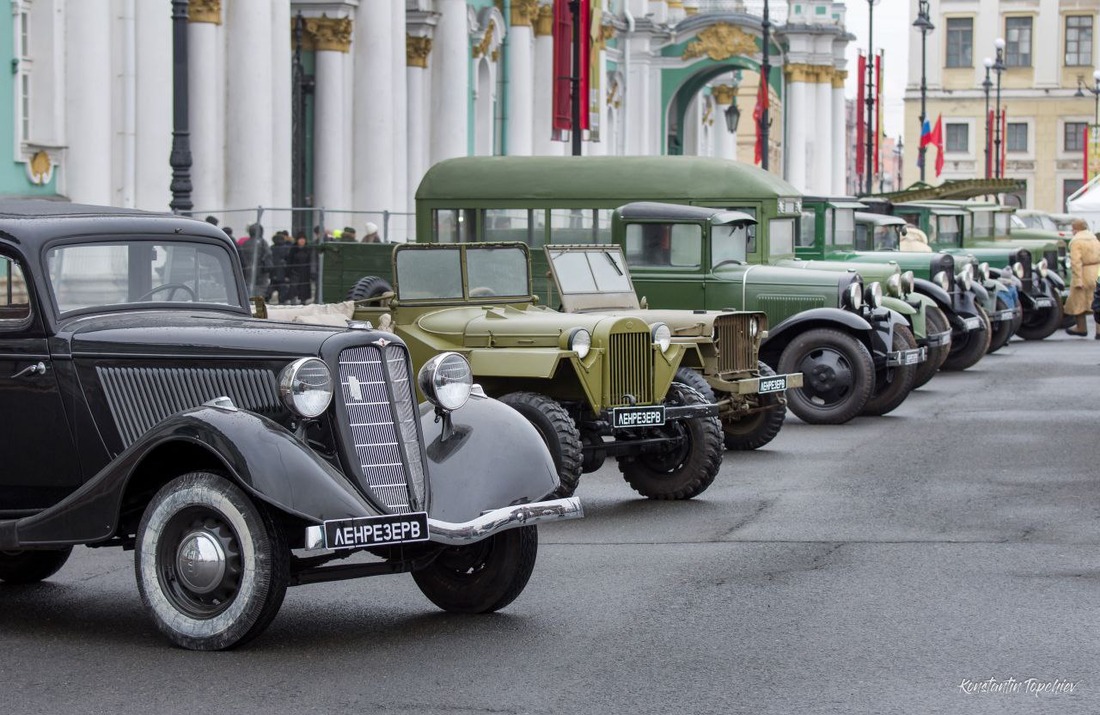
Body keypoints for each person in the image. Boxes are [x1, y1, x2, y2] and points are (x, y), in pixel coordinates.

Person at [1064, 218, 1100, 336]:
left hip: (1084, 272)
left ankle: (1081, 327)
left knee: (1078, 302)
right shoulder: (1094, 239)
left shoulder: (1076, 241)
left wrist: (1078, 280)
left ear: (1075, 228)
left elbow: (1076, 262)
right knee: (1097, 302)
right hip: (1096, 271)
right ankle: (1099, 330)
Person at [238, 223, 273, 298]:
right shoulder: (262, 242)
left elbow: (242, 256)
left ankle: (249, 301)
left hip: (248, 269)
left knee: (249, 286)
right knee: (260, 289)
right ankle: (258, 304)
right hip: (261, 270)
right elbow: (268, 253)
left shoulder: (245, 243)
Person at [286, 231, 314, 304]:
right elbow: (289, 261)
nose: (302, 241)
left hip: (305, 273)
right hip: (295, 272)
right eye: (300, 239)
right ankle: (293, 301)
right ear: (297, 240)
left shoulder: (308, 249)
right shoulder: (293, 249)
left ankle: (303, 301)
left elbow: (311, 261)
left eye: (303, 239)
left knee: (304, 289)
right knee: (293, 288)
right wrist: (289, 272)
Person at [265, 231, 292, 304]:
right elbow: (289, 259)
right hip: (283, 270)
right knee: (282, 287)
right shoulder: (286, 248)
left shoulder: (271, 248)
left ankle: (267, 296)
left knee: (272, 284)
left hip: (273, 270)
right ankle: (282, 300)